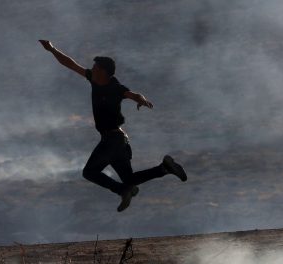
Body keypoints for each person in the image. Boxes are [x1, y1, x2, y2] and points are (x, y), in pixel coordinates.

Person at [39, 40, 187, 212]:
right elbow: (71, 64)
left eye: (94, 68)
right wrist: (51, 49)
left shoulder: (115, 87)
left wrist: (142, 100)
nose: (91, 70)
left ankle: (123, 191)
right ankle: (165, 168)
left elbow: (133, 94)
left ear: (102, 72)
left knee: (89, 172)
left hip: (112, 139)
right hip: (120, 140)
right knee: (129, 179)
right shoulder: (94, 81)